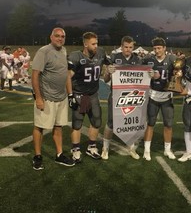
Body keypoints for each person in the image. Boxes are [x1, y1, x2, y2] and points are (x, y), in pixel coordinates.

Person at [31, 27, 75, 170]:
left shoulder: (63, 51)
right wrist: (38, 97)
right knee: (39, 126)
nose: (60, 38)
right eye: (57, 36)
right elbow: (35, 75)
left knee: (58, 126)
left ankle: (59, 154)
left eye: (62, 36)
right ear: (51, 37)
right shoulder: (44, 51)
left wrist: (70, 94)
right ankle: (37, 156)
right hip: (46, 97)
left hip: (61, 97)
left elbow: (66, 74)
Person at [67, 32, 112, 162]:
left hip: (93, 94)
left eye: (97, 43)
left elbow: (110, 64)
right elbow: (67, 76)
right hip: (80, 94)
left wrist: (110, 70)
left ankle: (91, 147)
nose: (96, 46)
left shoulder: (101, 53)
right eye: (93, 44)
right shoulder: (76, 56)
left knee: (96, 121)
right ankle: (75, 149)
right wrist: (71, 95)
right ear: (85, 44)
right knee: (77, 124)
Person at [101, 36, 143, 160]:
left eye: (130, 47)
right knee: (111, 123)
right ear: (121, 46)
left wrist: (149, 75)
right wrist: (108, 71)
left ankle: (131, 148)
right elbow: (105, 79)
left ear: (133, 47)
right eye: (126, 47)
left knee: (131, 123)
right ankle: (105, 148)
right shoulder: (114, 58)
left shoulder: (138, 60)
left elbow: (141, 80)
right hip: (116, 95)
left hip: (131, 96)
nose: (128, 50)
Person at [141, 37, 176, 161]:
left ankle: (167, 149)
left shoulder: (172, 59)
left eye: (159, 48)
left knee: (168, 125)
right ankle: (146, 150)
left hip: (166, 96)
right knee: (150, 124)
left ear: (164, 48)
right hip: (153, 96)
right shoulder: (148, 59)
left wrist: (178, 74)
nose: (157, 50)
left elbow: (178, 72)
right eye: (155, 48)